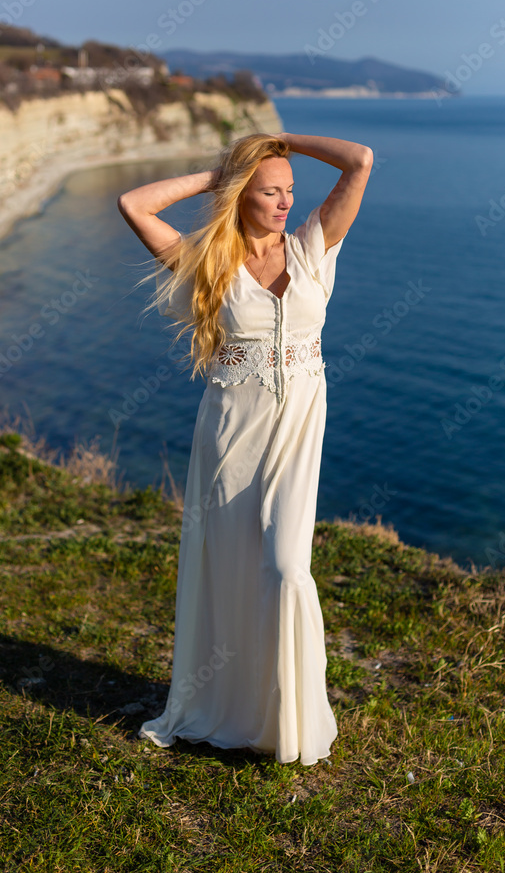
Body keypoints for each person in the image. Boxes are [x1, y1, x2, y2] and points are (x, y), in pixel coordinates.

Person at [117, 131, 373, 765]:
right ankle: (229, 706)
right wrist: (220, 175)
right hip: (231, 432)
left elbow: (359, 161)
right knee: (227, 566)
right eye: (270, 191)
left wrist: (284, 143)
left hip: (297, 430)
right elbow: (134, 204)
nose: (286, 201)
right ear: (243, 196)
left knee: (286, 567)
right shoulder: (211, 263)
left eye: (290, 190)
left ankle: (290, 718)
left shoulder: (313, 249)